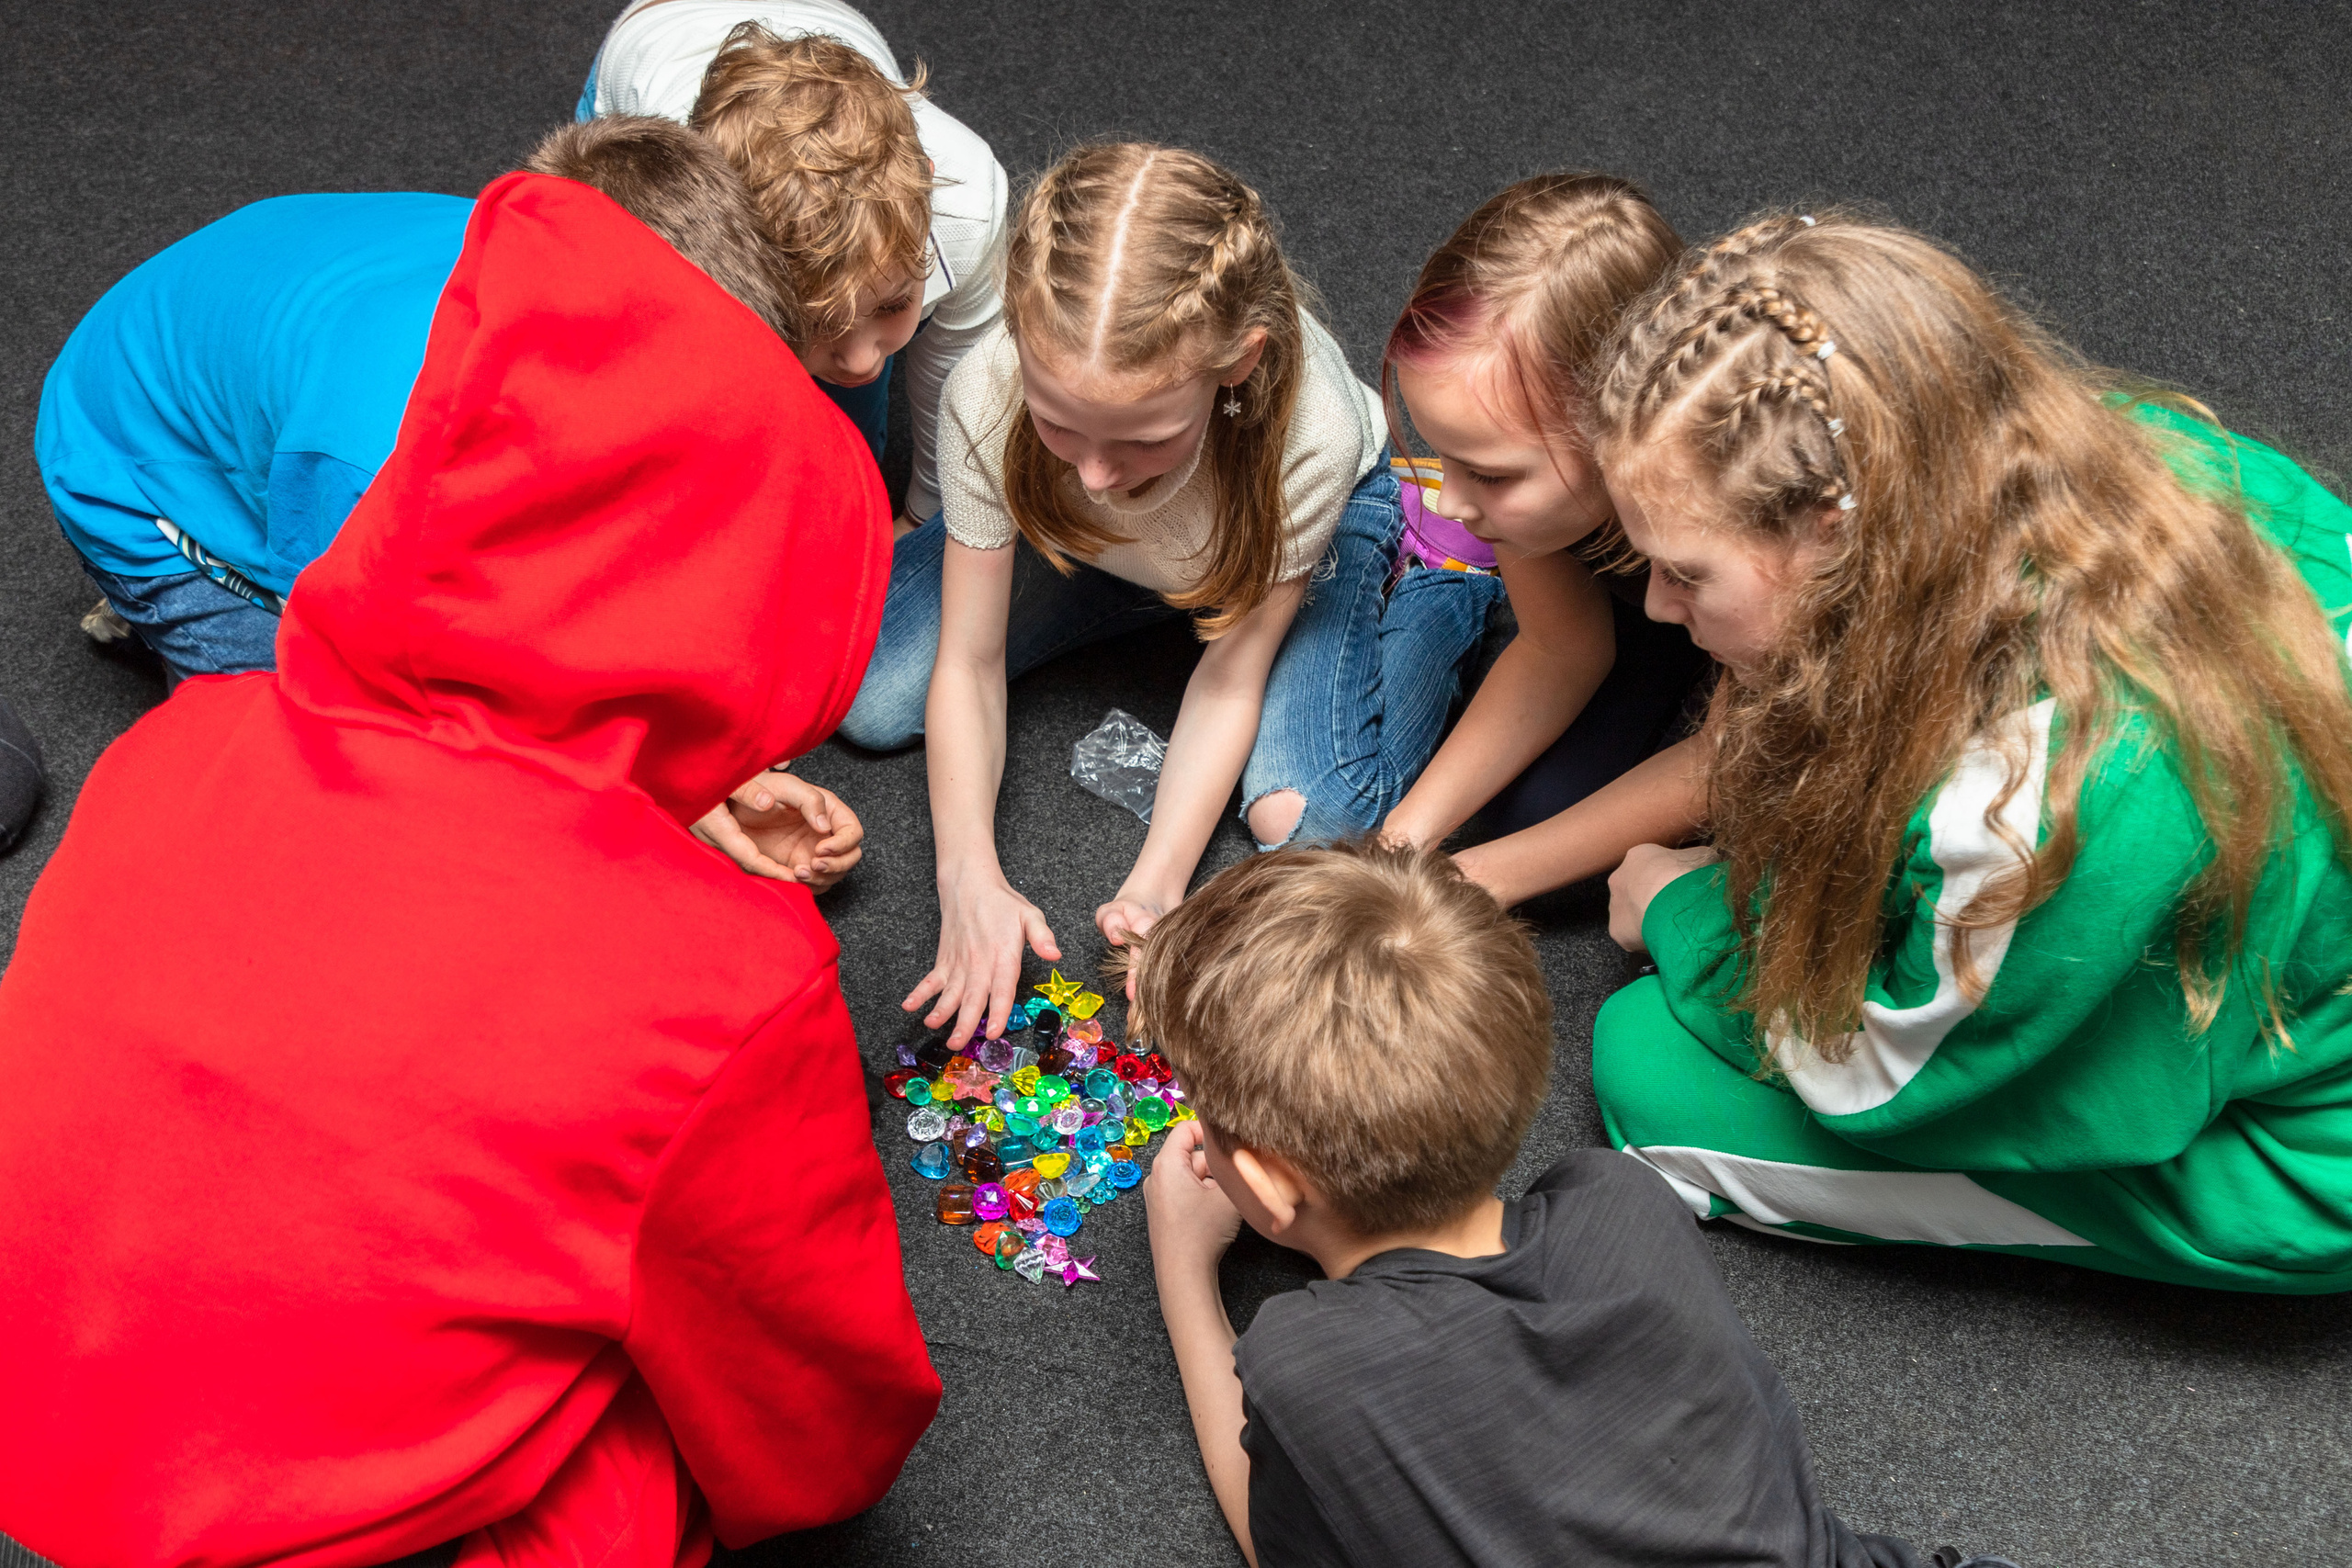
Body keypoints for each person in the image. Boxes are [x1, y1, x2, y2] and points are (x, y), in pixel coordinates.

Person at [0, 169, 936, 1567]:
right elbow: (818, 1412)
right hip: (310, 1527)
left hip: (58, 1455)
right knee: (641, 1447)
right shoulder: (728, 976)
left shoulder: (179, 742)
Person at [1589, 212, 2352, 1293]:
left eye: (1687, 572)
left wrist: (1685, 914)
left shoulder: (2052, 787)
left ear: (1838, 531)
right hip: (2239, 931)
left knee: (1645, 1073)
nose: (1660, 607)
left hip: (2309, 1147)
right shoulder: (2124, 445)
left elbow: (1883, 1081)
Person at [37, 115, 863, 889]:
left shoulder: (560, 285)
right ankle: (171, 597)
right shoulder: (365, 457)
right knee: (330, 808)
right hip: (133, 469)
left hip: (279, 330)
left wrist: (699, 774)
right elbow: (351, 673)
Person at [1133, 839, 1995, 1568]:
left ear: (1276, 1185)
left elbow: (1272, 1533)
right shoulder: (1621, 1200)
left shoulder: (1303, 1361)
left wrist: (1184, 1265)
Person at [851, 141, 1505, 1047]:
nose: (1096, 472)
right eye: (1058, 426)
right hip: (1108, 551)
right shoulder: (990, 390)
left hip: (1276, 540)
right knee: (872, 694)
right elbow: (968, 659)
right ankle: (1146, 590)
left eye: (1145, 440)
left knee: (1312, 817)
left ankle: (1437, 578)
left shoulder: (1303, 435)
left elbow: (1231, 677)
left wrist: (1157, 888)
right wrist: (967, 876)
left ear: (1236, 365)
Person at [1376, 175, 1714, 902]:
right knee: (1514, 811)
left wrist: (1471, 882)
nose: (1451, 503)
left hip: (1781, 633)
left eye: (1490, 476)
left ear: (1621, 431)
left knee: (1552, 862)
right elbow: (1561, 647)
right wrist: (1393, 850)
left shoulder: (1747, 513)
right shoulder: (1537, 476)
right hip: (1623, 557)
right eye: (1443, 457)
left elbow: (1737, 753)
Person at [582, 0, 1010, 525]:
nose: (860, 362)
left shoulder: (972, 203)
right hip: (652, 38)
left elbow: (962, 391)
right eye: (815, 323)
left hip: (819, 18)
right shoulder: (672, 229)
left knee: (849, 467)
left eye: (895, 303)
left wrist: (922, 519)